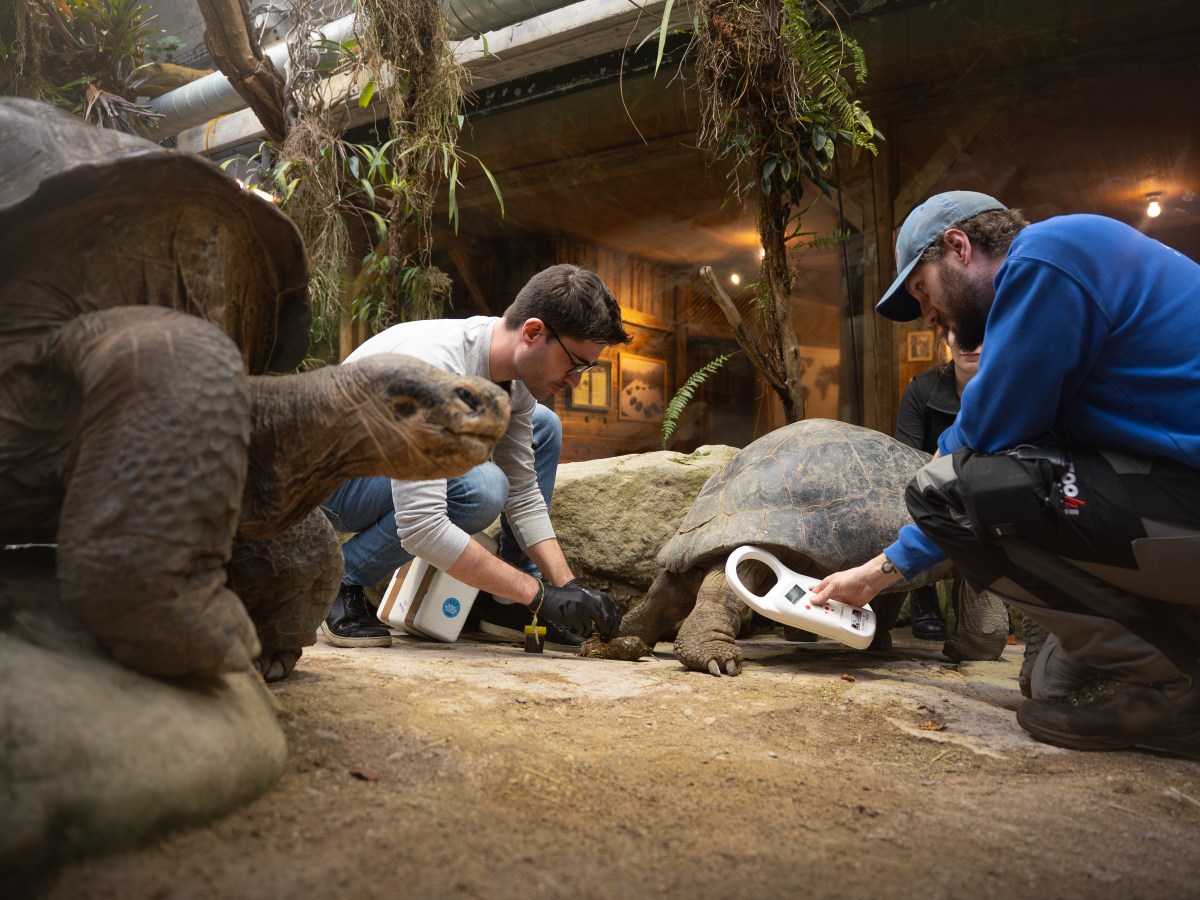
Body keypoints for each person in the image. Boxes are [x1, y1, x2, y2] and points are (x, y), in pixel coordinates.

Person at [810, 190, 1200, 755]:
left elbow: (981, 440)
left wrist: (877, 572)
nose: (927, 314)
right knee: (1050, 685)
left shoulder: (1050, 254)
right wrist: (877, 574)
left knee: (948, 488)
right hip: (1171, 496)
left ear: (958, 247)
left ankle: (1180, 692)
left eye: (921, 290)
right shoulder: (1073, 273)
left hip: (1182, 502)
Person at [320, 264, 630, 652]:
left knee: (543, 425)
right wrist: (538, 595)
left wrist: (567, 588)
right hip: (330, 484)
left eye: (586, 368)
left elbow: (523, 492)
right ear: (533, 332)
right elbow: (423, 525)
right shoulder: (435, 369)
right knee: (480, 488)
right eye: (574, 364)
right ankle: (337, 579)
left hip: (383, 469)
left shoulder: (516, 379)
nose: (575, 380)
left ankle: (506, 605)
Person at [893, 329, 981, 641]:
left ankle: (981, 602)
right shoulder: (921, 389)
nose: (969, 341)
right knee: (908, 488)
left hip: (988, 493)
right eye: (960, 330)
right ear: (946, 338)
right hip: (932, 495)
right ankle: (923, 593)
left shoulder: (1011, 388)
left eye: (979, 329)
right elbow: (904, 462)